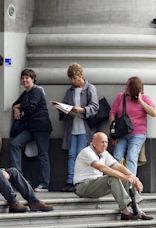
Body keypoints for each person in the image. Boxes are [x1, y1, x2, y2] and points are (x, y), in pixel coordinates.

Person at [74, 132, 153, 220]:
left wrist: (134, 178)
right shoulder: (87, 152)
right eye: (102, 142)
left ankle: (136, 208)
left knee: (126, 179)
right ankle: (125, 211)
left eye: (106, 142)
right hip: (82, 187)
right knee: (113, 178)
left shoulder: (104, 153)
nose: (105, 145)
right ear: (93, 143)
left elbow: (118, 166)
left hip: (95, 185)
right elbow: (103, 168)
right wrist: (124, 176)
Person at [10, 69, 52, 192]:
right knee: (14, 143)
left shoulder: (37, 91)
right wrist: (16, 108)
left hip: (41, 127)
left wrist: (19, 107)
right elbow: (15, 104)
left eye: (27, 78)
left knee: (43, 155)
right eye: (23, 78)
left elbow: (30, 108)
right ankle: (18, 178)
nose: (25, 80)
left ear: (33, 79)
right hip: (31, 128)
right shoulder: (26, 93)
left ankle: (44, 184)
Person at [60, 63, 99, 192]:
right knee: (71, 154)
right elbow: (65, 104)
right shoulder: (70, 90)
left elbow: (95, 107)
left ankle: (79, 181)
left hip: (84, 127)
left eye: (75, 78)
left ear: (81, 76)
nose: (73, 81)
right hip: (72, 126)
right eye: (71, 79)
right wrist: (61, 108)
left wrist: (82, 110)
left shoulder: (90, 88)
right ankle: (70, 181)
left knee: (81, 154)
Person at [109, 76, 156, 175]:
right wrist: (112, 132)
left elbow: (153, 113)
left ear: (133, 88)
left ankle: (130, 184)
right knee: (117, 156)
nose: (125, 87)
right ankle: (116, 182)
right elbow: (112, 113)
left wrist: (141, 102)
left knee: (131, 156)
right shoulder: (120, 97)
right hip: (121, 133)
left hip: (137, 133)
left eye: (128, 85)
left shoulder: (144, 98)